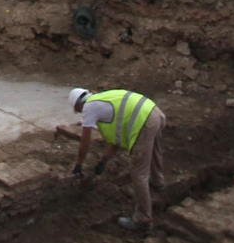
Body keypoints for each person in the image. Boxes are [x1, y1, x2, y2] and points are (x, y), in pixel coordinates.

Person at [69, 86, 166, 232]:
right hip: (155, 113)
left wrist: (79, 164)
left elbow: (85, 142)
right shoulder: (104, 101)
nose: (81, 113)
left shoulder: (89, 107)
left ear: (78, 105)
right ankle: (158, 183)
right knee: (153, 152)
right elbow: (115, 143)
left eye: (79, 110)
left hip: (144, 122)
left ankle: (142, 219)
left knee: (139, 172)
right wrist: (103, 161)